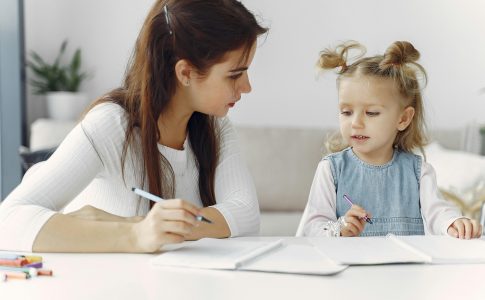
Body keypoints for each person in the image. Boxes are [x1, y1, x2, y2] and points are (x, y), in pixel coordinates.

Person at [0, 0, 268, 252]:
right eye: (235, 75)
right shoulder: (112, 125)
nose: (247, 87)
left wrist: (164, 227)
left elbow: (246, 215)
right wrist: (136, 233)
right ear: (185, 73)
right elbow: (8, 220)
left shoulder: (216, 128)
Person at [297, 41, 482, 239]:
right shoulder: (331, 170)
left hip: (404, 269)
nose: (356, 123)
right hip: (350, 268)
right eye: (346, 112)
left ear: (403, 119)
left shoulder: (418, 172)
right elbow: (311, 227)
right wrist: (339, 228)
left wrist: (454, 222)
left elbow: (438, 212)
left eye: (371, 113)